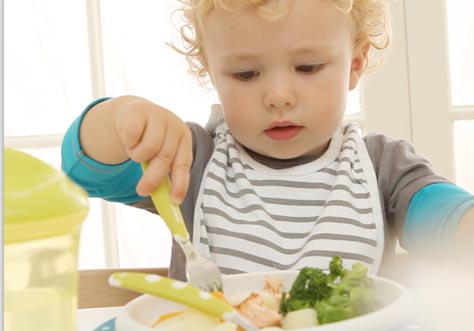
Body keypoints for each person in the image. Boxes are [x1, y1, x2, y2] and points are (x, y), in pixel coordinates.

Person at [61, 0, 473, 281]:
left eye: (308, 67)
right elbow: (84, 169)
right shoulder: (192, 161)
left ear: (355, 64)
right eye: (245, 74)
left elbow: (447, 223)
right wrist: (122, 118)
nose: (278, 95)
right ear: (211, 71)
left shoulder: (383, 167)